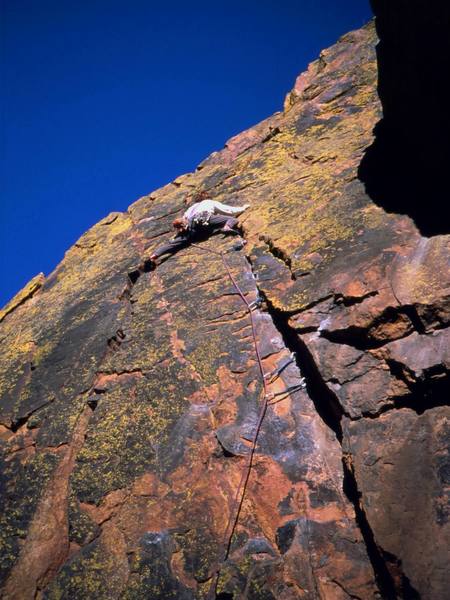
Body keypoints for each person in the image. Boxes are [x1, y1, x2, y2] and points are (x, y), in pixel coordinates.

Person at [148, 197, 250, 264]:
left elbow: (184, 220)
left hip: (192, 227)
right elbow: (229, 211)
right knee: (232, 220)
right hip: (204, 219)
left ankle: (154, 255)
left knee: (177, 243)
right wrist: (243, 208)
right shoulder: (209, 202)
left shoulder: (191, 208)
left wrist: (178, 234)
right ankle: (227, 227)